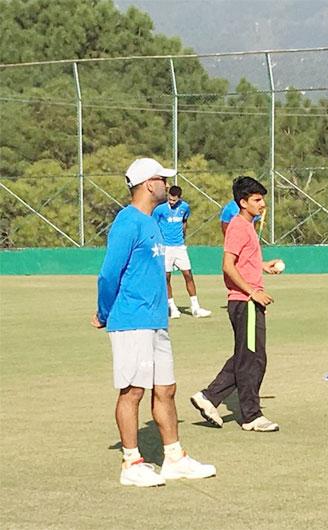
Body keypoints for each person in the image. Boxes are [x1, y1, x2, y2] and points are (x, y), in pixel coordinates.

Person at [92, 157, 216, 487]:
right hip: (131, 320)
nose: (166, 184)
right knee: (132, 390)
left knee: (166, 389)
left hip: (156, 321)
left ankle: (174, 458)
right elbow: (108, 275)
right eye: (162, 179)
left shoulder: (152, 223)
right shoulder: (127, 222)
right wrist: (104, 313)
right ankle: (131, 462)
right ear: (149, 184)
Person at [191, 176, 283, 432]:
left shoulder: (248, 226)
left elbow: (243, 262)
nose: (262, 204)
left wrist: (263, 267)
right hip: (245, 302)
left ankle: (209, 397)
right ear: (242, 202)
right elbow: (227, 266)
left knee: (248, 356)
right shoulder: (238, 226)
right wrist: (253, 291)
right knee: (253, 360)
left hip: (247, 301)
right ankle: (251, 416)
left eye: (262, 199)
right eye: (256, 200)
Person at [152, 185, 212, 319]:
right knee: (166, 277)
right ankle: (172, 307)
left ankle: (195, 308)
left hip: (179, 246)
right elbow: (154, 226)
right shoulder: (160, 210)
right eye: (170, 199)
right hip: (165, 247)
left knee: (188, 275)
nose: (171, 202)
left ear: (179, 198)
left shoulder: (185, 207)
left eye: (174, 200)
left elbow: (185, 221)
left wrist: (183, 237)